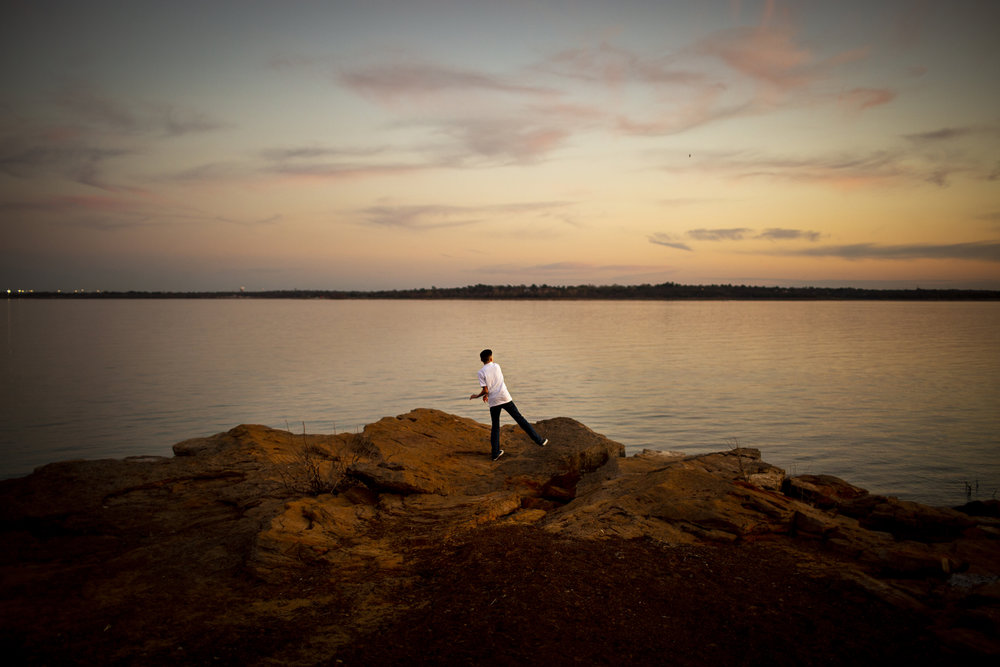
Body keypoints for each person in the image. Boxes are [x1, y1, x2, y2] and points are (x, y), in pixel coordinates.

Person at [470, 349, 548, 461]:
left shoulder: (480, 372)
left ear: (481, 360)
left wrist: (477, 396)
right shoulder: (497, 366)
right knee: (520, 419)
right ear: (491, 358)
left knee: (495, 426)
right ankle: (539, 441)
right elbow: (495, 383)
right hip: (505, 397)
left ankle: (495, 453)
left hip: (494, 402)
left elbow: (486, 390)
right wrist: (485, 394)